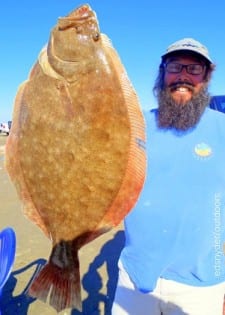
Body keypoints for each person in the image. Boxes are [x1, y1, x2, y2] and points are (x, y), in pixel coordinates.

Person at [111, 38, 225, 315]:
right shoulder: (133, 124)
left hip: (201, 286)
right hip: (133, 277)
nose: (183, 76)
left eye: (194, 68)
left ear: (207, 76)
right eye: (175, 66)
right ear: (162, 72)